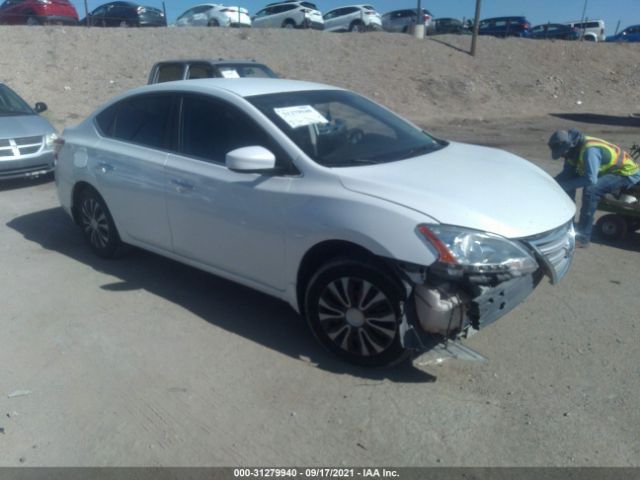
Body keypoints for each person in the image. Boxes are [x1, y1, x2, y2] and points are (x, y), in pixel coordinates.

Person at [548, 128, 640, 247]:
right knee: (567, 184)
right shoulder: (572, 151)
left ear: (568, 147)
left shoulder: (589, 150)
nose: (562, 156)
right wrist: (551, 183)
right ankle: (567, 226)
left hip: (626, 174)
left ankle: (583, 238)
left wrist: (565, 185)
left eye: (562, 153)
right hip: (607, 172)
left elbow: (591, 179)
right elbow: (566, 176)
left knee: (591, 191)